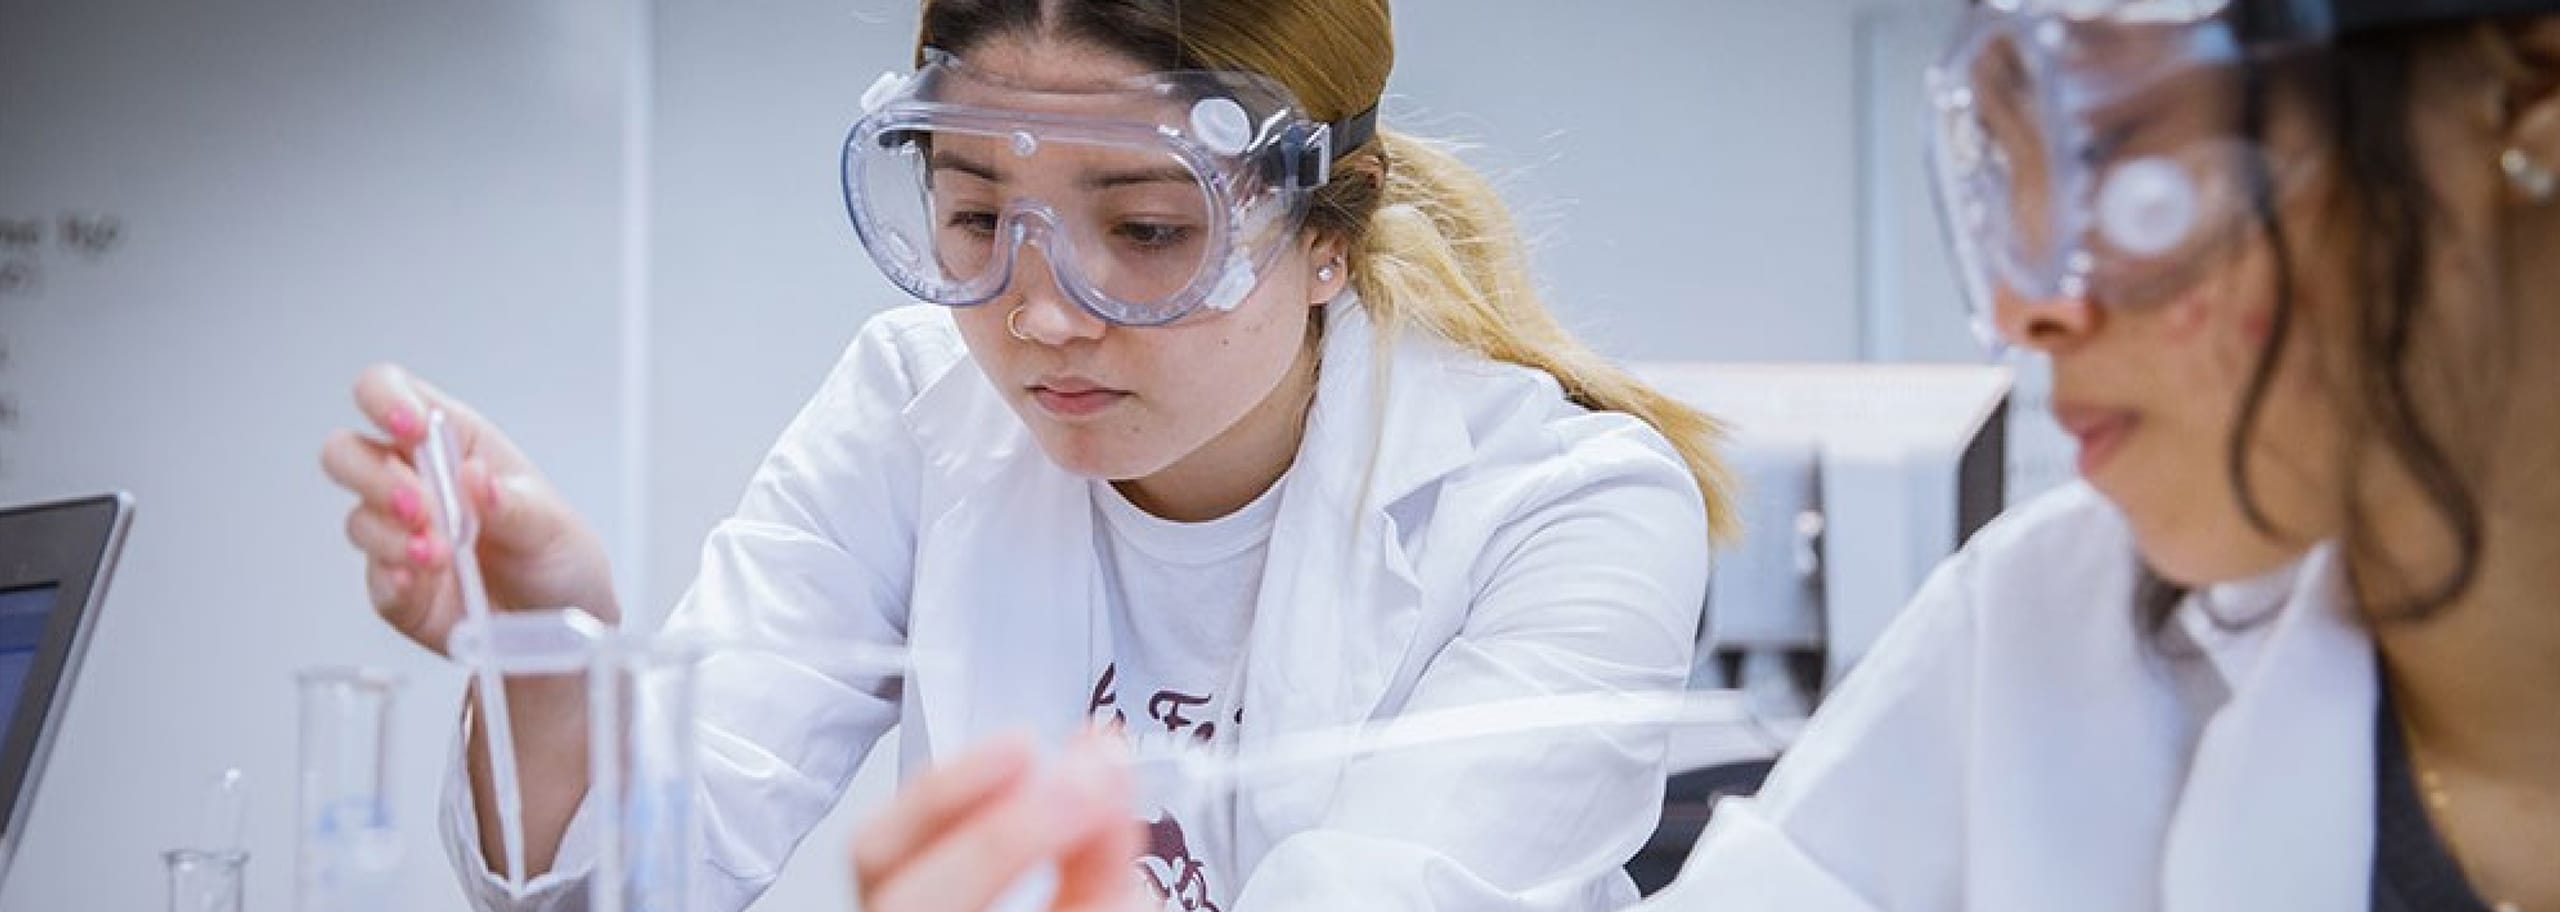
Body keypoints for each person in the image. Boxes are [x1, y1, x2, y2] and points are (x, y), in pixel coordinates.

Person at [317, 0, 1738, 909]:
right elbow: (632, 884)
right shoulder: (911, 405)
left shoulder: (1570, 511)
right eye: (978, 217)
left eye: (1147, 229)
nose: (1043, 312)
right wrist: (546, 649)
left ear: (1325, 236)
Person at [1641, 1, 2560, 909]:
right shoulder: (2033, 631)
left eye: (2109, 147)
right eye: (2012, 165)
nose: (2022, 311)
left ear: (2529, 98)